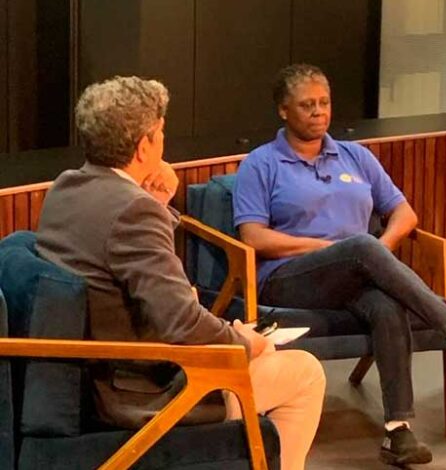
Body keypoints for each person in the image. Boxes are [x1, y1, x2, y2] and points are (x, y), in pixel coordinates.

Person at [233, 63, 446, 466]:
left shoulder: (354, 156)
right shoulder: (261, 164)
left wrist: (375, 253)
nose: (318, 112)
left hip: (357, 273)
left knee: (385, 302)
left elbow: (404, 213)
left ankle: (397, 432)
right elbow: (253, 237)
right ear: (283, 110)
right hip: (288, 278)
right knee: (361, 248)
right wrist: (330, 247)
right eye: (306, 105)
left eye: (324, 103)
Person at [35, 76, 325, 470]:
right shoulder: (134, 212)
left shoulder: (66, 188)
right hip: (139, 393)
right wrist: (241, 342)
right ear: (144, 146)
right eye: (161, 134)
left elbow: (117, 254)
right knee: (304, 373)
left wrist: (156, 201)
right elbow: (181, 322)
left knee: (264, 351)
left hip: (92, 381)